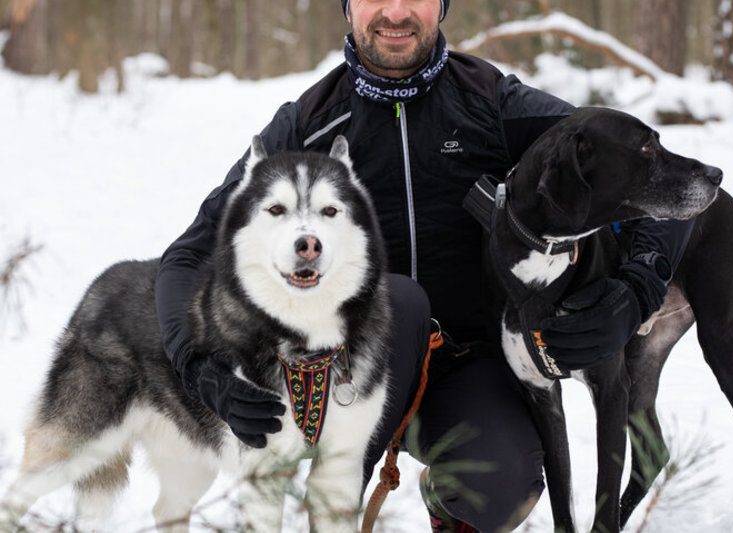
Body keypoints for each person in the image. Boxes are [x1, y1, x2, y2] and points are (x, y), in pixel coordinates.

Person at [154, 1, 694, 531]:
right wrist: (204, 371)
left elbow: (664, 180)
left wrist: (637, 289)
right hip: (340, 373)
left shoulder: (495, 105)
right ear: (347, 8)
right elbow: (189, 255)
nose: (394, 12)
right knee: (397, 299)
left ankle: (446, 499)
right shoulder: (306, 126)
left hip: (468, 368)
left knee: (504, 486)